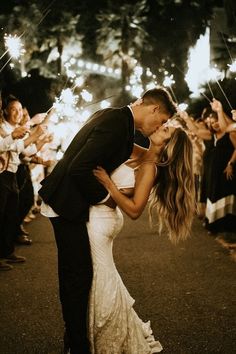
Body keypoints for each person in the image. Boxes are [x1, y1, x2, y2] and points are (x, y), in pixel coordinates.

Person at [38, 87, 177, 354]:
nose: (158, 127)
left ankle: (76, 338)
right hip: (66, 203)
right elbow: (80, 167)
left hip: (71, 203)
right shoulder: (116, 124)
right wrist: (107, 198)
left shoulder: (120, 123)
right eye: (160, 122)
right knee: (75, 277)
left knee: (79, 276)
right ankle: (77, 344)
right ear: (153, 109)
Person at [89, 123, 195, 353]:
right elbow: (120, 143)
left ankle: (105, 338)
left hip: (102, 222)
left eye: (167, 130)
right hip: (101, 217)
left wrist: (108, 184)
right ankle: (101, 333)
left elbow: (136, 210)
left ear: (167, 145)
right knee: (103, 278)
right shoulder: (142, 153)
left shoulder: (151, 168)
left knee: (100, 280)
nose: (162, 126)